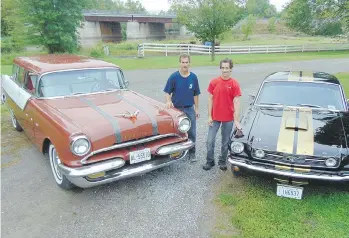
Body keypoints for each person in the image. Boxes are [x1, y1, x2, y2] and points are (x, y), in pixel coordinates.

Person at [203, 58, 242, 171]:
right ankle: (210, 161)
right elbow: (210, 99)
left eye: (227, 68)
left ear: (231, 69)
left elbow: (237, 102)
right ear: (220, 68)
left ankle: (222, 161)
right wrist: (209, 116)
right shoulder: (214, 82)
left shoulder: (234, 84)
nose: (225, 70)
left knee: (225, 142)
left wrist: (236, 119)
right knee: (209, 141)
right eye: (223, 68)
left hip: (228, 118)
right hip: (214, 117)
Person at [163, 53, 201, 162]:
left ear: (189, 63)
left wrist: (197, 109)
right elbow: (167, 92)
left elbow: (196, 94)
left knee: (192, 132)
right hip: (177, 109)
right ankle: (177, 152)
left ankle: (192, 153)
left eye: (186, 62)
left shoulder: (193, 77)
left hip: (190, 108)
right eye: (183, 62)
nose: (185, 64)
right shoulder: (174, 77)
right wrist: (169, 100)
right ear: (180, 63)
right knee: (177, 132)